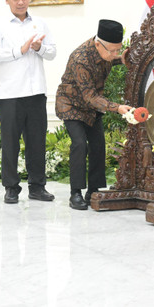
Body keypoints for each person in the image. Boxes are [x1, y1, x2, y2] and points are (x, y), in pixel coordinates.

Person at [0, 0, 57, 204]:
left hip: (36, 92)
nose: (20, 2)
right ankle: (11, 187)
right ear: (6, 0)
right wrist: (20, 50)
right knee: (10, 143)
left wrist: (39, 48)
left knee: (37, 142)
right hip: (10, 94)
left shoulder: (41, 23)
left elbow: (52, 52)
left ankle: (37, 187)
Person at [55, 19, 132, 210]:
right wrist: (117, 107)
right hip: (71, 105)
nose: (114, 54)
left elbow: (111, 58)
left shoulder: (106, 51)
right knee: (80, 144)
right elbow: (89, 96)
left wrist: (122, 58)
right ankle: (75, 193)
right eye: (112, 50)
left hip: (92, 107)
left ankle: (94, 191)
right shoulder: (80, 58)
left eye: (118, 49)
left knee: (98, 145)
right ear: (98, 43)